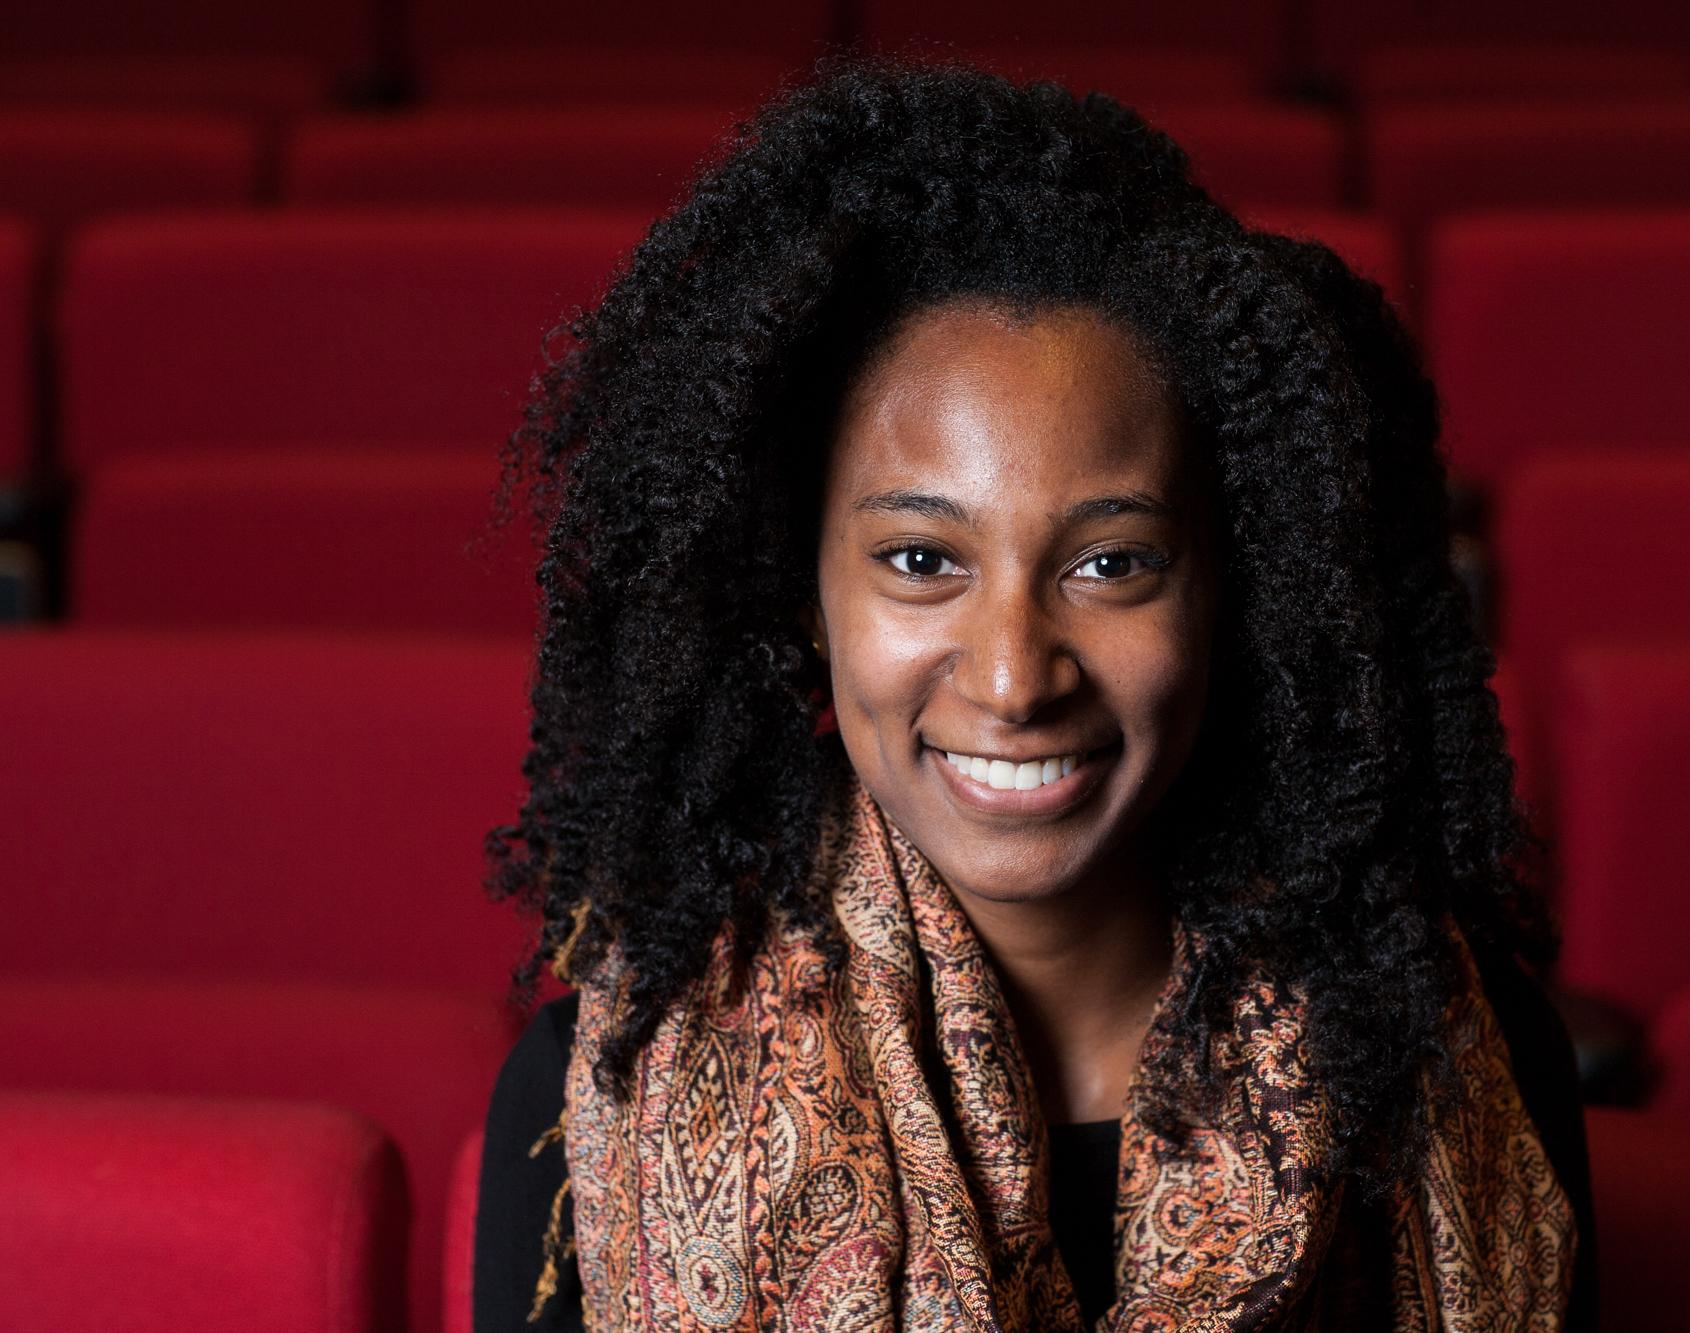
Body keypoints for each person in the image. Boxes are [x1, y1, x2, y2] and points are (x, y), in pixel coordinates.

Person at [474, 53, 1597, 1332]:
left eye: (1109, 563)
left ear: (1231, 593)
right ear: (804, 592)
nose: (1013, 677)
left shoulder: (1451, 1053)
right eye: (919, 561)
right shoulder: (595, 1091)